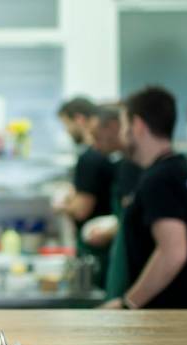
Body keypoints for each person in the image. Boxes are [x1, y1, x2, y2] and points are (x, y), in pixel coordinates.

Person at [102, 86, 187, 309]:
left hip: (163, 316)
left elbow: (173, 252)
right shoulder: (179, 167)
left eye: (124, 126)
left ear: (137, 126)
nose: (121, 135)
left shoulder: (158, 179)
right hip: (182, 311)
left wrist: (127, 304)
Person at [56, 97, 116, 289]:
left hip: (98, 249)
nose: (66, 131)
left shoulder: (89, 158)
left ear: (80, 119)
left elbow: (82, 209)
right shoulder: (105, 157)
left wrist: (62, 205)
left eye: (66, 125)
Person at [84, 104, 142, 300]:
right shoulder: (122, 165)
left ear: (115, 126)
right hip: (120, 259)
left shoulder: (141, 168)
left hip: (135, 270)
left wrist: (130, 302)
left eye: (97, 136)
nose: (95, 144)